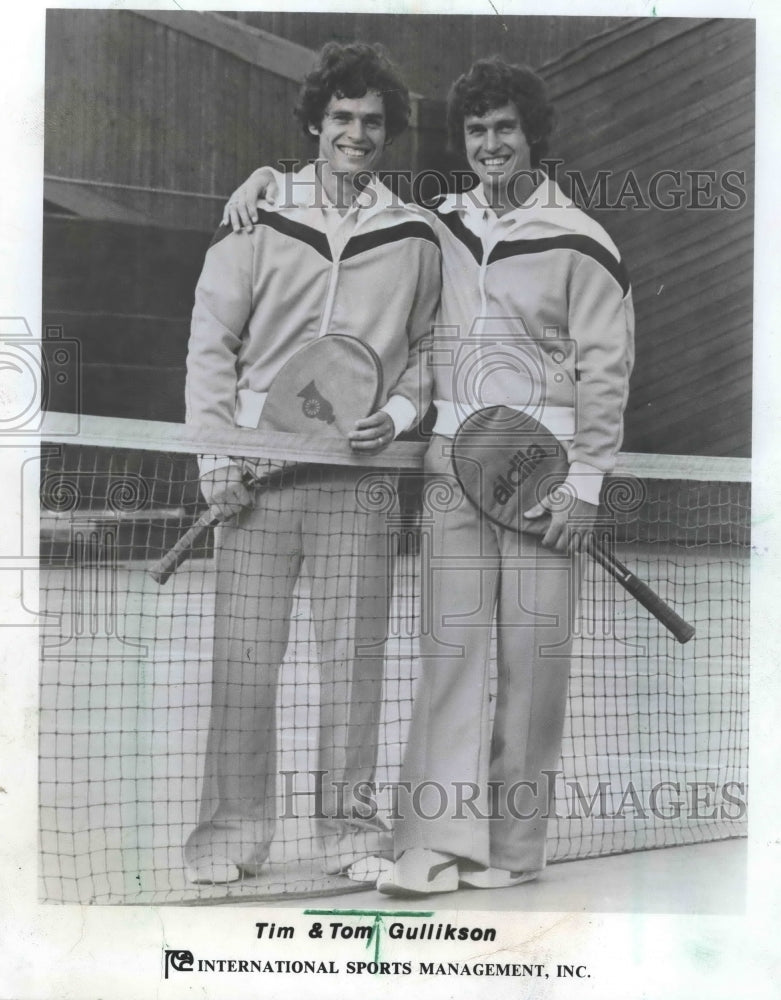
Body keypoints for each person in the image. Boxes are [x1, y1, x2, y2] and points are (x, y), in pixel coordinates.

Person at [222, 56, 634, 896]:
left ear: (532, 137)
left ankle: (514, 849)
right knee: (447, 656)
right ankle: (437, 842)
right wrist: (272, 178)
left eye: (504, 129)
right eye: (475, 131)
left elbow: (607, 370)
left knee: (533, 664)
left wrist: (585, 486)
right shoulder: (439, 225)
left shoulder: (583, 241)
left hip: (545, 486)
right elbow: (358, 224)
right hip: (451, 471)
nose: (489, 144)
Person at [184, 41, 440, 885]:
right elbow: (212, 347)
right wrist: (216, 455)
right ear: (315, 123)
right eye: (342, 118)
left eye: (372, 121)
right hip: (255, 477)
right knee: (245, 660)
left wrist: (399, 415)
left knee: (353, 662)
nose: (356, 133)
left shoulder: (412, 234)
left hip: (358, 483)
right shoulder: (257, 217)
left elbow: (426, 351)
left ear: (387, 133)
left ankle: (349, 834)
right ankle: (230, 836)